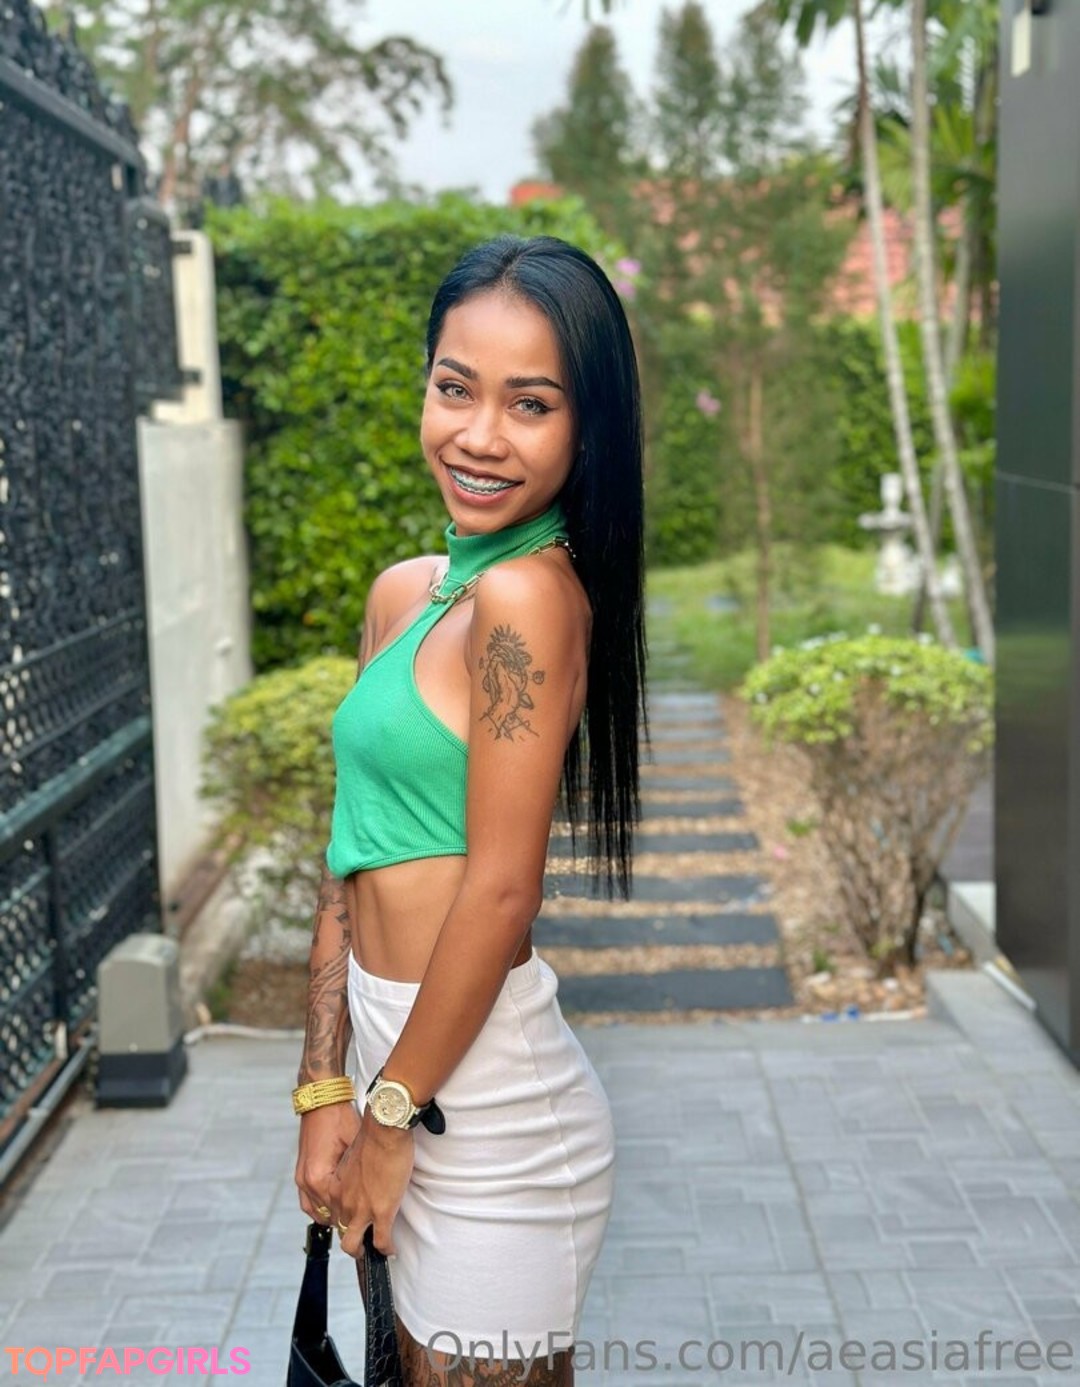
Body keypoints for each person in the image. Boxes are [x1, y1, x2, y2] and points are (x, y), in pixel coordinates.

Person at [293, 233, 647, 1386]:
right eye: (456, 388)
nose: (480, 435)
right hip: (395, 1085)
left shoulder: (528, 601)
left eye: (530, 404)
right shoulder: (406, 594)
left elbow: (500, 892)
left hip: (487, 1120)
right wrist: (325, 1089)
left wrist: (390, 1120)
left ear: (586, 429)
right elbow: (347, 857)